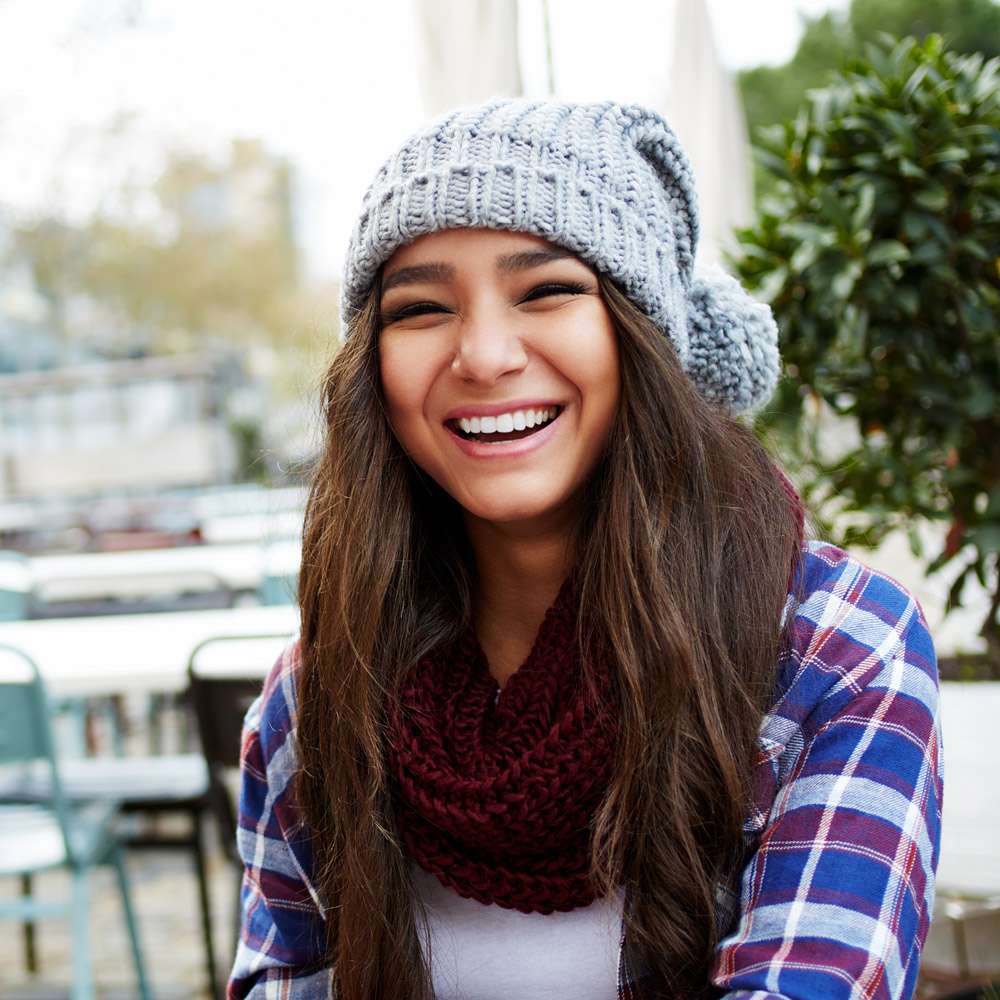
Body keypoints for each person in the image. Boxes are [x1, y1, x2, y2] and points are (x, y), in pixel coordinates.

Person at [228, 100, 943, 1000]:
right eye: (420, 309)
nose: (484, 354)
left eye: (548, 290)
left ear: (640, 338)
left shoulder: (834, 652)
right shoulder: (316, 697)